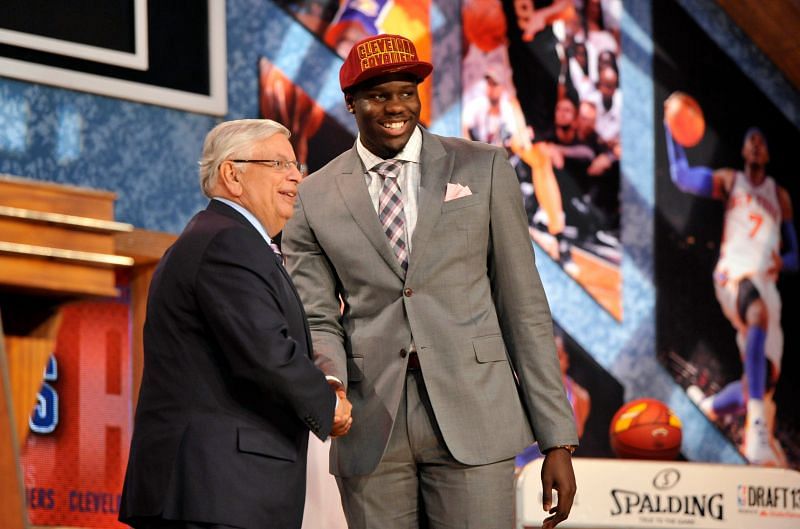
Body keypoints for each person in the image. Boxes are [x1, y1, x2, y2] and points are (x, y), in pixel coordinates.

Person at [283, 33, 578, 529]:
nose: (396, 107)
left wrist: (557, 438)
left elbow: (522, 305)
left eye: (406, 92)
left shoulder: (482, 167)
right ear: (351, 102)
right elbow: (315, 314)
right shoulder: (312, 197)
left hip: (476, 411)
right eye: (378, 96)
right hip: (371, 420)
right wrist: (331, 383)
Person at [119, 119, 353, 529]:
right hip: (216, 492)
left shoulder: (221, 238)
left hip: (214, 491)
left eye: (295, 164)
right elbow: (266, 352)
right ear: (232, 174)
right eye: (279, 164)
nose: (296, 176)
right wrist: (328, 403)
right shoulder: (229, 242)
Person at [666, 123, 798, 466]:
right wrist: (671, 128)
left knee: (760, 382)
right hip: (734, 276)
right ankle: (755, 431)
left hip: (766, 285)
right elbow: (681, 175)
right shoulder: (730, 180)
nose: (755, 145)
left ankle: (708, 406)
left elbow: (796, 256)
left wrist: (780, 262)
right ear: (743, 152)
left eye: (761, 141)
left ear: (767, 154)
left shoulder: (780, 197)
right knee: (757, 314)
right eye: (749, 140)